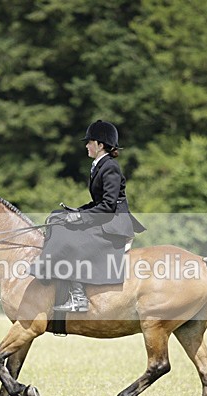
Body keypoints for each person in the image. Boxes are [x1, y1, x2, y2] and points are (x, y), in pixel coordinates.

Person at [32, 120, 146, 312]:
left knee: (73, 240)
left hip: (114, 223)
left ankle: (78, 298)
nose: (86, 145)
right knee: (58, 219)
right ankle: (49, 272)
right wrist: (77, 211)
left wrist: (81, 219)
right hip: (106, 218)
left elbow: (109, 206)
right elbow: (98, 203)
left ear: (100, 145)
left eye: (89, 142)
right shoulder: (98, 165)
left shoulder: (110, 167)